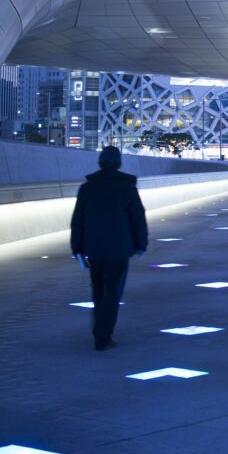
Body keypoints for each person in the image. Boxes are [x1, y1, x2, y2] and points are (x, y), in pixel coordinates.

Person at [70, 147, 148, 351]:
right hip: (119, 248)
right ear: (119, 163)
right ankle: (103, 336)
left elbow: (78, 220)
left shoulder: (87, 188)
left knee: (98, 291)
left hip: (94, 248)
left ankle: (100, 331)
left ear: (100, 162)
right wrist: (141, 244)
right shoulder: (127, 187)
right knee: (113, 293)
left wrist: (77, 247)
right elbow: (137, 218)